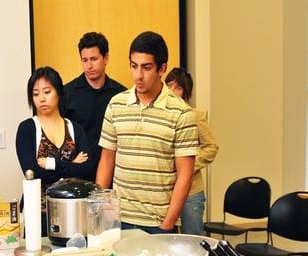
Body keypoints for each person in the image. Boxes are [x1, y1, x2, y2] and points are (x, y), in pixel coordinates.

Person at [96, 31, 199, 234]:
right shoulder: (116, 105)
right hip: (119, 220)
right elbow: (107, 160)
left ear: (162, 69)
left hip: (158, 224)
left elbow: (185, 175)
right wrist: (99, 211)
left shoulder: (182, 113)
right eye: (134, 66)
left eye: (146, 67)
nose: (138, 76)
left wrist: (167, 224)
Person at [16, 66, 95, 235]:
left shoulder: (75, 129)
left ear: (58, 92)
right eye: (35, 94)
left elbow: (88, 171)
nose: (41, 99)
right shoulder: (27, 128)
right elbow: (33, 173)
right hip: (38, 213)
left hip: (73, 212)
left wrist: (52, 164)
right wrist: (72, 166)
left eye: (47, 91)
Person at [63, 32, 126, 179]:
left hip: (113, 172)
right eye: (84, 60)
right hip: (78, 172)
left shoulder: (121, 95)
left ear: (106, 58)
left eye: (94, 59)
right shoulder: (67, 93)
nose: (89, 65)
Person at [165, 67, 219, 235]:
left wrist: (188, 167)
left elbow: (211, 147)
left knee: (192, 239)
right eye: (169, 86)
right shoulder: (161, 116)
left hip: (191, 191)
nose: (172, 91)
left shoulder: (194, 116)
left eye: (178, 88)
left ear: (186, 92)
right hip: (165, 190)